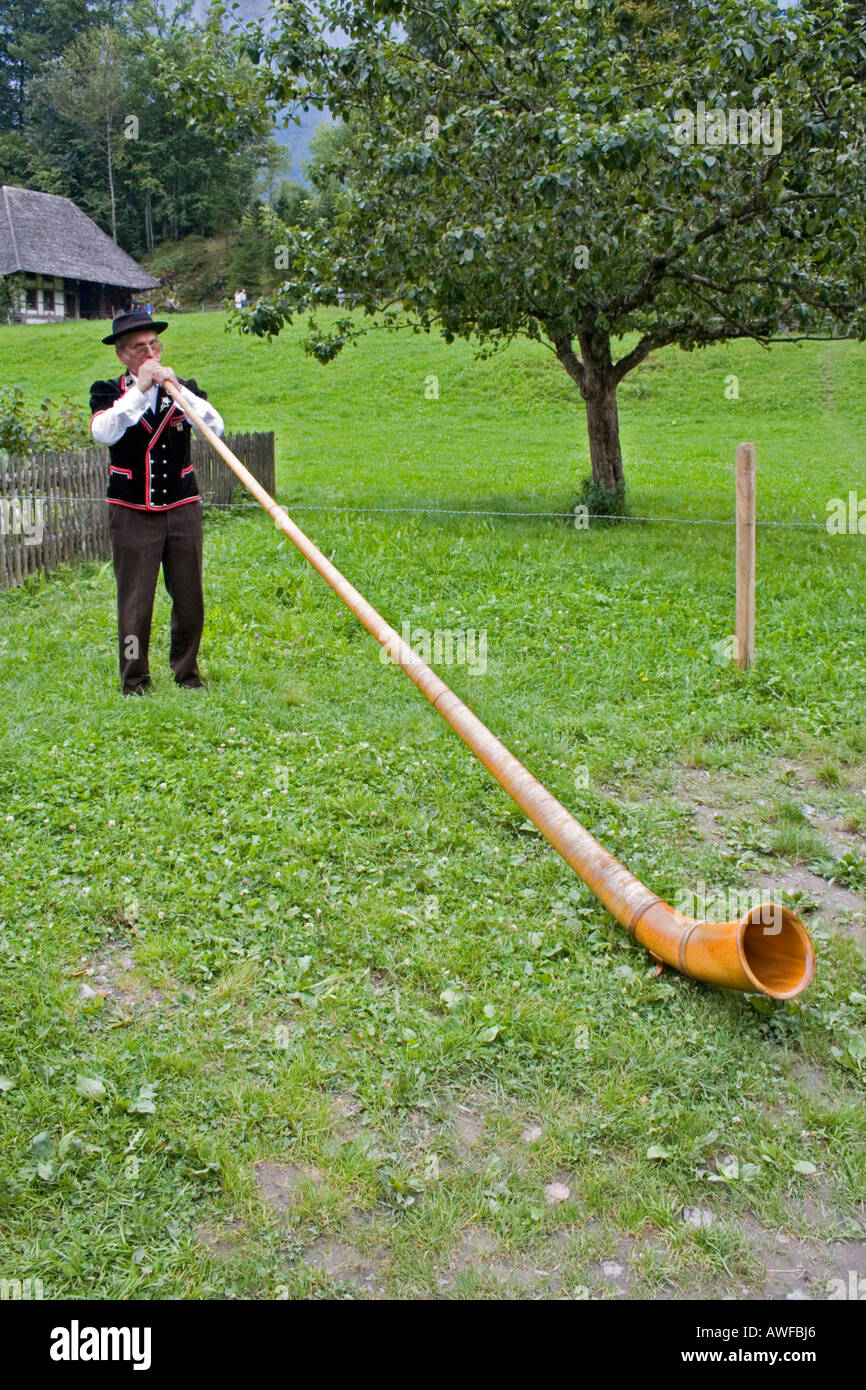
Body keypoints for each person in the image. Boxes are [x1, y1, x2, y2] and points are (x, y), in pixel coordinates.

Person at [89, 309, 225, 696]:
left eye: (154, 345)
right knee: (135, 603)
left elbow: (215, 427)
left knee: (189, 597)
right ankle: (135, 682)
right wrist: (141, 389)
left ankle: (187, 674)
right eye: (139, 347)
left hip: (183, 507)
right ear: (122, 355)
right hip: (133, 513)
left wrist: (177, 391)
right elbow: (105, 432)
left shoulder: (183, 388)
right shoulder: (107, 392)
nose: (150, 353)